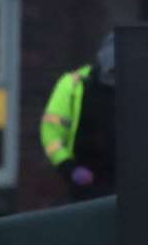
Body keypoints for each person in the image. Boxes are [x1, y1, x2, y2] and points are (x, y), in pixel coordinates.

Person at [40, 33, 117, 202]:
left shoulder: (139, 86)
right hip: (84, 184)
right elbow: (51, 131)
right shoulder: (73, 85)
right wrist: (68, 167)